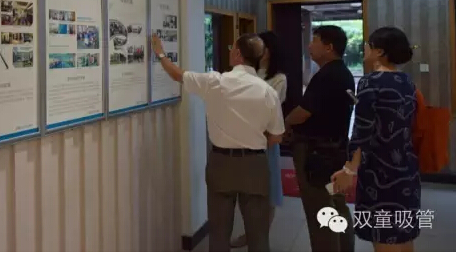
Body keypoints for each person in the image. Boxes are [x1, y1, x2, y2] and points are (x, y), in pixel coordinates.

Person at [151, 33, 285, 252]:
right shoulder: (267, 91)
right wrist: (253, 142)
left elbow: (177, 74)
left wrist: (160, 54)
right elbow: (277, 136)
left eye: (233, 48)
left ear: (238, 54)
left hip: (221, 162)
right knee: (258, 233)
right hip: (255, 165)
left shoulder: (215, 82)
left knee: (219, 232)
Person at [332, 27, 420, 252]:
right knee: (402, 233)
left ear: (379, 51)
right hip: (406, 168)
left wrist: (349, 169)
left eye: (368, 46)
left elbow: (362, 131)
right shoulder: (407, 81)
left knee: (383, 236)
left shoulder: (370, 82)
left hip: (379, 172)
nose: (365, 49)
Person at [284, 25, 356, 252]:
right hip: (336, 150)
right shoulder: (343, 73)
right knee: (336, 204)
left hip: (316, 153)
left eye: (314, 40)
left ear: (328, 47)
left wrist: (286, 122)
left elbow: (304, 112)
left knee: (320, 210)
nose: (309, 45)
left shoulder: (326, 76)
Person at [231, 31, 286, 248]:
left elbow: (269, 110)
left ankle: (260, 236)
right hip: (242, 140)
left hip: (265, 140)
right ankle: (250, 233)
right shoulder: (245, 74)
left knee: (267, 192)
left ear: (268, 51)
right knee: (246, 192)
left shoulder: (278, 78)